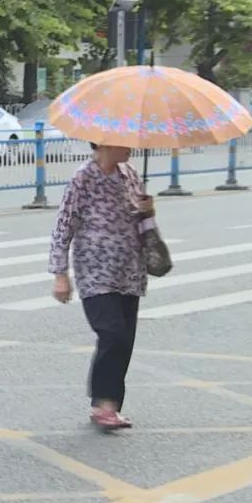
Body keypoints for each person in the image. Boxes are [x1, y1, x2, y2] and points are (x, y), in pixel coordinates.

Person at [49, 142, 154, 431]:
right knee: (112, 332)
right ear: (106, 142)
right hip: (95, 270)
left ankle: (111, 405)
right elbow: (64, 224)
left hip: (130, 269)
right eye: (124, 141)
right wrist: (60, 272)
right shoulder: (83, 177)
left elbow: (142, 217)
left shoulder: (130, 173)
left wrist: (147, 209)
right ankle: (102, 403)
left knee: (125, 338)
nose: (131, 146)